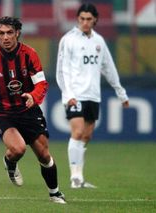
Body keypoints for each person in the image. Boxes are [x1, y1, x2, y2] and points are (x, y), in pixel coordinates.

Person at [0, 16, 66, 204]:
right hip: (0, 112)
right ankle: (10, 163)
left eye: (10, 33)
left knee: (43, 154)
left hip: (27, 109)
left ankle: (55, 193)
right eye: (1, 33)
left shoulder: (29, 54)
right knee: (18, 149)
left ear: (17, 33)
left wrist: (34, 96)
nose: (5, 37)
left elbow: (42, 83)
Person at [56, 3, 129, 189]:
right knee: (78, 132)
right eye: (82, 19)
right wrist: (68, 94)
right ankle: (75, 176)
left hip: (93, 95)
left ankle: (79, 177)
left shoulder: (99, 41)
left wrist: (121, 92)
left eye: (89, 19)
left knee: (87, 135)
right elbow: (61, 70)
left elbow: (109, 68)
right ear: (77, 19)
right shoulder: (68, 40)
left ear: (95, 20)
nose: (85, 22)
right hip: (75, 94)